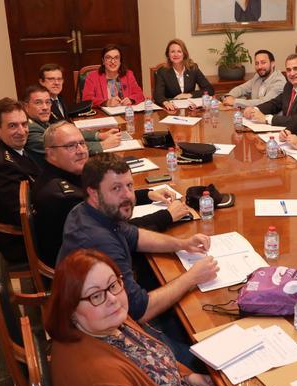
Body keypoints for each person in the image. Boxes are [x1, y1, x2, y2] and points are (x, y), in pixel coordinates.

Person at [45, 249, 244, 386]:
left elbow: (150, 358)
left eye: (113, 284)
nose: (112, 299)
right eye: (96, 296)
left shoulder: (106, 324)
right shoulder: (98, 379)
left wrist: (188, 378)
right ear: (70, 309)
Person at [57, 153, 219, 368]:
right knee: (206, 361)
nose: (128, 196)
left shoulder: (91, 211)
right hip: (109, 336)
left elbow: (135, 236)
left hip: (105, 319)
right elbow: (139, 311)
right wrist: (191, 277)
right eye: (116, 188)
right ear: (93, 194)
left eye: (129, 186)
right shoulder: (98, 240)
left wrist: (183, 244)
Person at [33, 121, 190, 267]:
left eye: (82, 143)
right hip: (80, 271)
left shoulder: (63, 173)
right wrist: (167, 216)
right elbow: (118, 232)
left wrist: (147, 194)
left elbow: (105, 201)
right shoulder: (62, 196)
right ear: (51, 153)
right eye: (70, 146)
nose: (81, 151)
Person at [0, 97, 40, 263]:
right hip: (20, 241)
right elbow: (22, 215)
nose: (22, 131)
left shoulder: (8, 147)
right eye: (13, 126)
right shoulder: (1, 165)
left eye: (24, 124)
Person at [23, 85, 121, 164]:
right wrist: (103, 145)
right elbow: (68, 148)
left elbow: (69, 135)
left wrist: (100, 135)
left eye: (48, 102)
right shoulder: (30, 129)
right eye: (38, 103)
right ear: (26, 107)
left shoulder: (42, 121)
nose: (45, 107)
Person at [243, 54, 297, 135]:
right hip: (284, 133)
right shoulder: (289, 85)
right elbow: (275, 103)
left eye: (296, 69)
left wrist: (266, 119)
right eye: (288, 70)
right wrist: (255, 110)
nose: (292, 73)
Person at [154, 39, 215, 111]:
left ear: (184, 54)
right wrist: (165, 103)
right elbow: (158, 95)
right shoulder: (162, 71)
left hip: (190, 111)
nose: (176, 54)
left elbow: (209, 89)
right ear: (168, 55)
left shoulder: (193, 68)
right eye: (172, 51)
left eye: (179, 51)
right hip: (171, 110)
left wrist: (189, 95)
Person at [82, 44, 146, 107]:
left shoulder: (128, 75)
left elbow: (140, 95)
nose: (113, 61)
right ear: (103, 61)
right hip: (104, 115)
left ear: (120, 61)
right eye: (108, 58)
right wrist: (106, 103)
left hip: (125, 114)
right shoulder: (92, 77)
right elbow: (87, 100)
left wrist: (131, 100)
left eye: (116, 58)